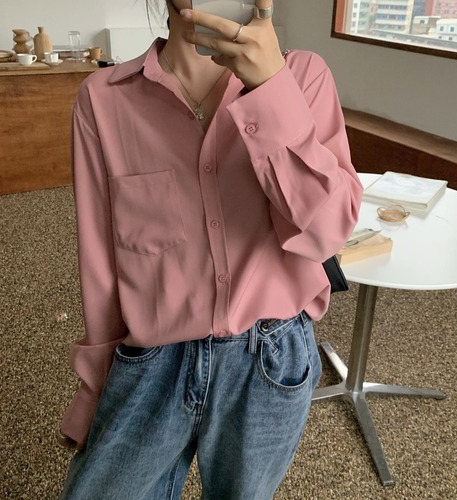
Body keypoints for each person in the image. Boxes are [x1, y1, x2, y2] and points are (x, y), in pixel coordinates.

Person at [58, 0, 363, 498]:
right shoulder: (104, 99)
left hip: (270, 358)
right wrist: (94, 391)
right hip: (151, 358)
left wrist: (270, 91)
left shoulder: (303, 78)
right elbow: (100, 267)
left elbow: (327, 232)